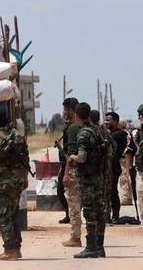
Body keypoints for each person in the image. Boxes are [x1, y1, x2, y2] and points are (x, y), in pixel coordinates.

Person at [0, 105, 29, 261]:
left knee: (3, 216)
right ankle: (17, 248)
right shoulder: (19, 135)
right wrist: (25, 178)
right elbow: (25, 159)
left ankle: (9, 250)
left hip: (1, 183)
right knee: (14, 214)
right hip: (17, 181)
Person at [69, 102, 106, 258]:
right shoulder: (99, 130)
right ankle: (99, 246)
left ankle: (91, 247)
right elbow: (109, 150)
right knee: (100, 212)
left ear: (76, 115)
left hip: (88, 179)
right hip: (99, 176)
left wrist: (72, 157)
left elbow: (82, 158)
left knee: (90, 212)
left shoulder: (83, 133)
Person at [61, 97, 83, 247]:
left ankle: (75, 238)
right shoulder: (90, 126)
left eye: (65, 110)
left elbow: (70, 154)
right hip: (90, 174)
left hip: (75, 171)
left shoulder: (73, 128)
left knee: (74, 206)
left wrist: (65, 174)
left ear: (70, 110)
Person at [89, 110, 115, 225]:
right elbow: (114, 145)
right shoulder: (104, 131)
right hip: (106, 166)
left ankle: (98, 217)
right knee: (106, 193)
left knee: (95, 192)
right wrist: (109, 158)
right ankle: (106, 217)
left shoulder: (90, 131)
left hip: (96, 167)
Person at [105, 112, 127, 221]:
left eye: (108, 120)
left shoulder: (117, 135)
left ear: (115, 121)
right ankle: (112, 214)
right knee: (110, 191)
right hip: (110, 166)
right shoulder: (111, 134)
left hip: (113, 167)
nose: (106, 122)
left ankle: (115, 214)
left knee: (112, 190)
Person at [125, 104, 143, 223]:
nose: (141, 118)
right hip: (141, 172)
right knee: (141, 196)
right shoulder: (136, 134)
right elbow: (129, 153)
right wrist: (128, 172)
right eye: (140, 116)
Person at [56, 115, 71, 224]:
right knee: (60, 190)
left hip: (72, 166)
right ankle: (68, 214)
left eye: (68, 119)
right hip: (65, 165)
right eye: (65, 119)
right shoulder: (66, 131)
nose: (66, 121)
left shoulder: (74, 131)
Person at [117, 118, 132, 205]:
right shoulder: (128, 135)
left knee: (123, 179)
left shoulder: (121, 135)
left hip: (123, 158)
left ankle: (125, 199)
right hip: (128, 158)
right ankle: (129, 199)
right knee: (128, 177)